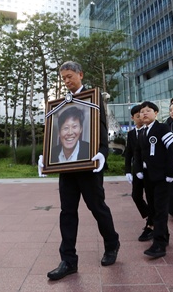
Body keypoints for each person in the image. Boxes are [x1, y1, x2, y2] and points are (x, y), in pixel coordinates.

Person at [44, 61, 119, 281]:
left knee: (97, 207)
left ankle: (112, 244)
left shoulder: (92, 98)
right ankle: (68, 260)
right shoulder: (60, 104)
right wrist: (47, 156)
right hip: (67, 168)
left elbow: (102, 133)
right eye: (63, 78)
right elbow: (55, 132)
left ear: (80, 74)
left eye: (69, 76)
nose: (66, 81)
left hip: (89, 166)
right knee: (67, 212)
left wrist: (102, 155)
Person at [138, 101, 173, 258]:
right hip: (149, 177)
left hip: (162, 177)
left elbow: (172, 148)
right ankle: (164, 237)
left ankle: (159, 244)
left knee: (161, 210)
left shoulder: (162, 128)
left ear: (156, 113)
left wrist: (170, 172)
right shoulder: (142, 132)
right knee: (154, 209)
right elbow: (141, 154)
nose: (144, 113)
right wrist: (140, 170)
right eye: (142, 112)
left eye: (148, 111)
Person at [123, 104, 153, 241]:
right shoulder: (131, 134)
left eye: (143, 114)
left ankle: (151, 224)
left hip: (149, 170)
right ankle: (150, 217)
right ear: (133, 118)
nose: (141, 117)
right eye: (138, 115)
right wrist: (128, 171)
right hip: (137, 170)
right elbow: (129, 153)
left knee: (151, 197)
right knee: (136, 195)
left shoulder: (149, 131)